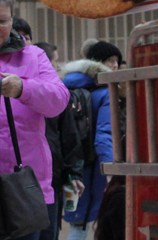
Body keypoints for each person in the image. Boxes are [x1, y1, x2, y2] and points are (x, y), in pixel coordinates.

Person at [0, 0, 70, 240]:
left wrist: (23, 89)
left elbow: (59, 100)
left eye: (2, 20)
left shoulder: (33, 57)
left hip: (24, 188)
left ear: (13, 17)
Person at [61, 41, 121, 240]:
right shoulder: (106, 94)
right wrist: (113, 169)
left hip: (69, 163)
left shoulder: (67, 87)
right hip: (93, 166)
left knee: (74, 219)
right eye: (109, 60)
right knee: (84, 223)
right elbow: (103, 136)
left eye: (117, 61)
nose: (114, 65)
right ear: (98, 63)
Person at [36, 42, 85, 240]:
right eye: (54, 62)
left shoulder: (57, 94)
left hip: (51, 178)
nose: (56, 67)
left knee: (50, 232)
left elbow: (69, 136)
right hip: (18, 180)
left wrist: (74, 173)